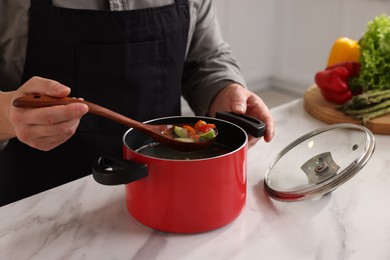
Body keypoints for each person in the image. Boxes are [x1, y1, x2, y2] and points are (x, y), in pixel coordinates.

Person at [0, 0, 274, 206]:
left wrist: (224, 89)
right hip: (37, 211)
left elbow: (205, 57)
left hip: (166, 200)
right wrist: (5, 115)